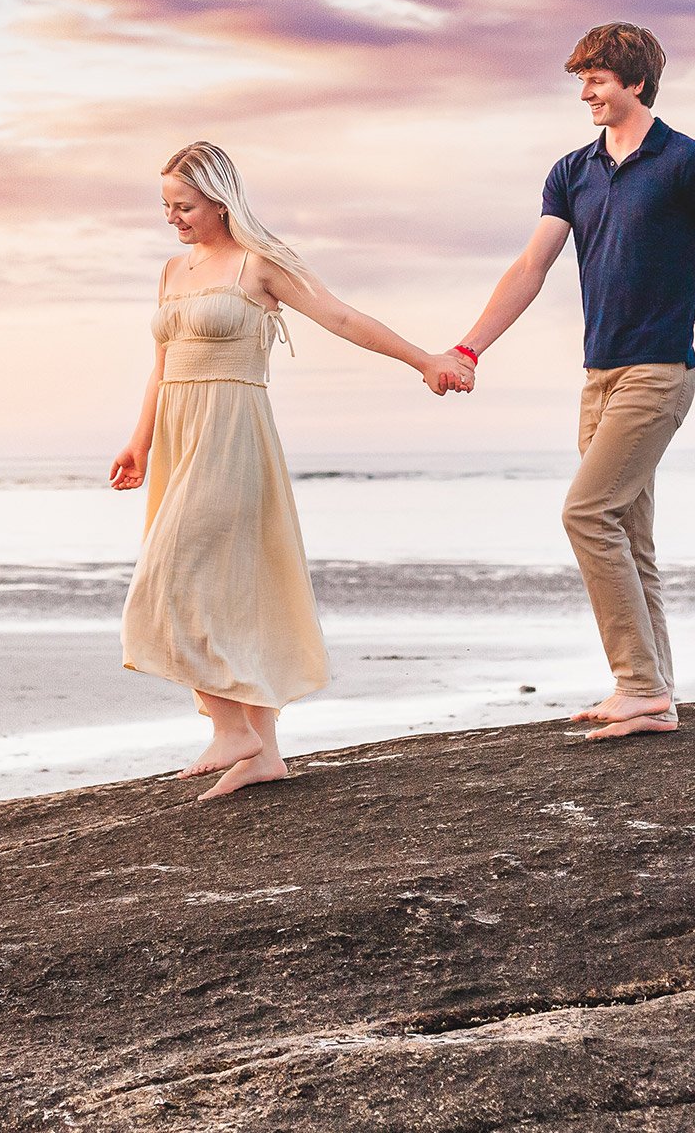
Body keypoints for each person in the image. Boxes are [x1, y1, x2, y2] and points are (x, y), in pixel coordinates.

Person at [445, 23, 695, 740]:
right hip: (597, 377)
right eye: (581, 78)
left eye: (596, 78)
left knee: (586, 514)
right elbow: (531, 269)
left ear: (635, 81)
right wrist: (470, 347)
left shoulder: (688, 162)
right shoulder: (572, 171)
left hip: (659, 372)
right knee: (628, 535)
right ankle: (656, 692)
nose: (586, 91)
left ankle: (636, 686)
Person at [109, 141, 473, 800]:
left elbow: (339, 317)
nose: (173, 217)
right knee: (236, 591)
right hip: (176, 435)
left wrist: (424, 359)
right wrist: (138, 443)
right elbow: (162, 365)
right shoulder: (172, 270)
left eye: (184, 205)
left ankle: (230, 729)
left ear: (221, 201)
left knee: (168, 581)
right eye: (166, 206)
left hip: (232, 435)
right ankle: (263, 752)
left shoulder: (260, 265)